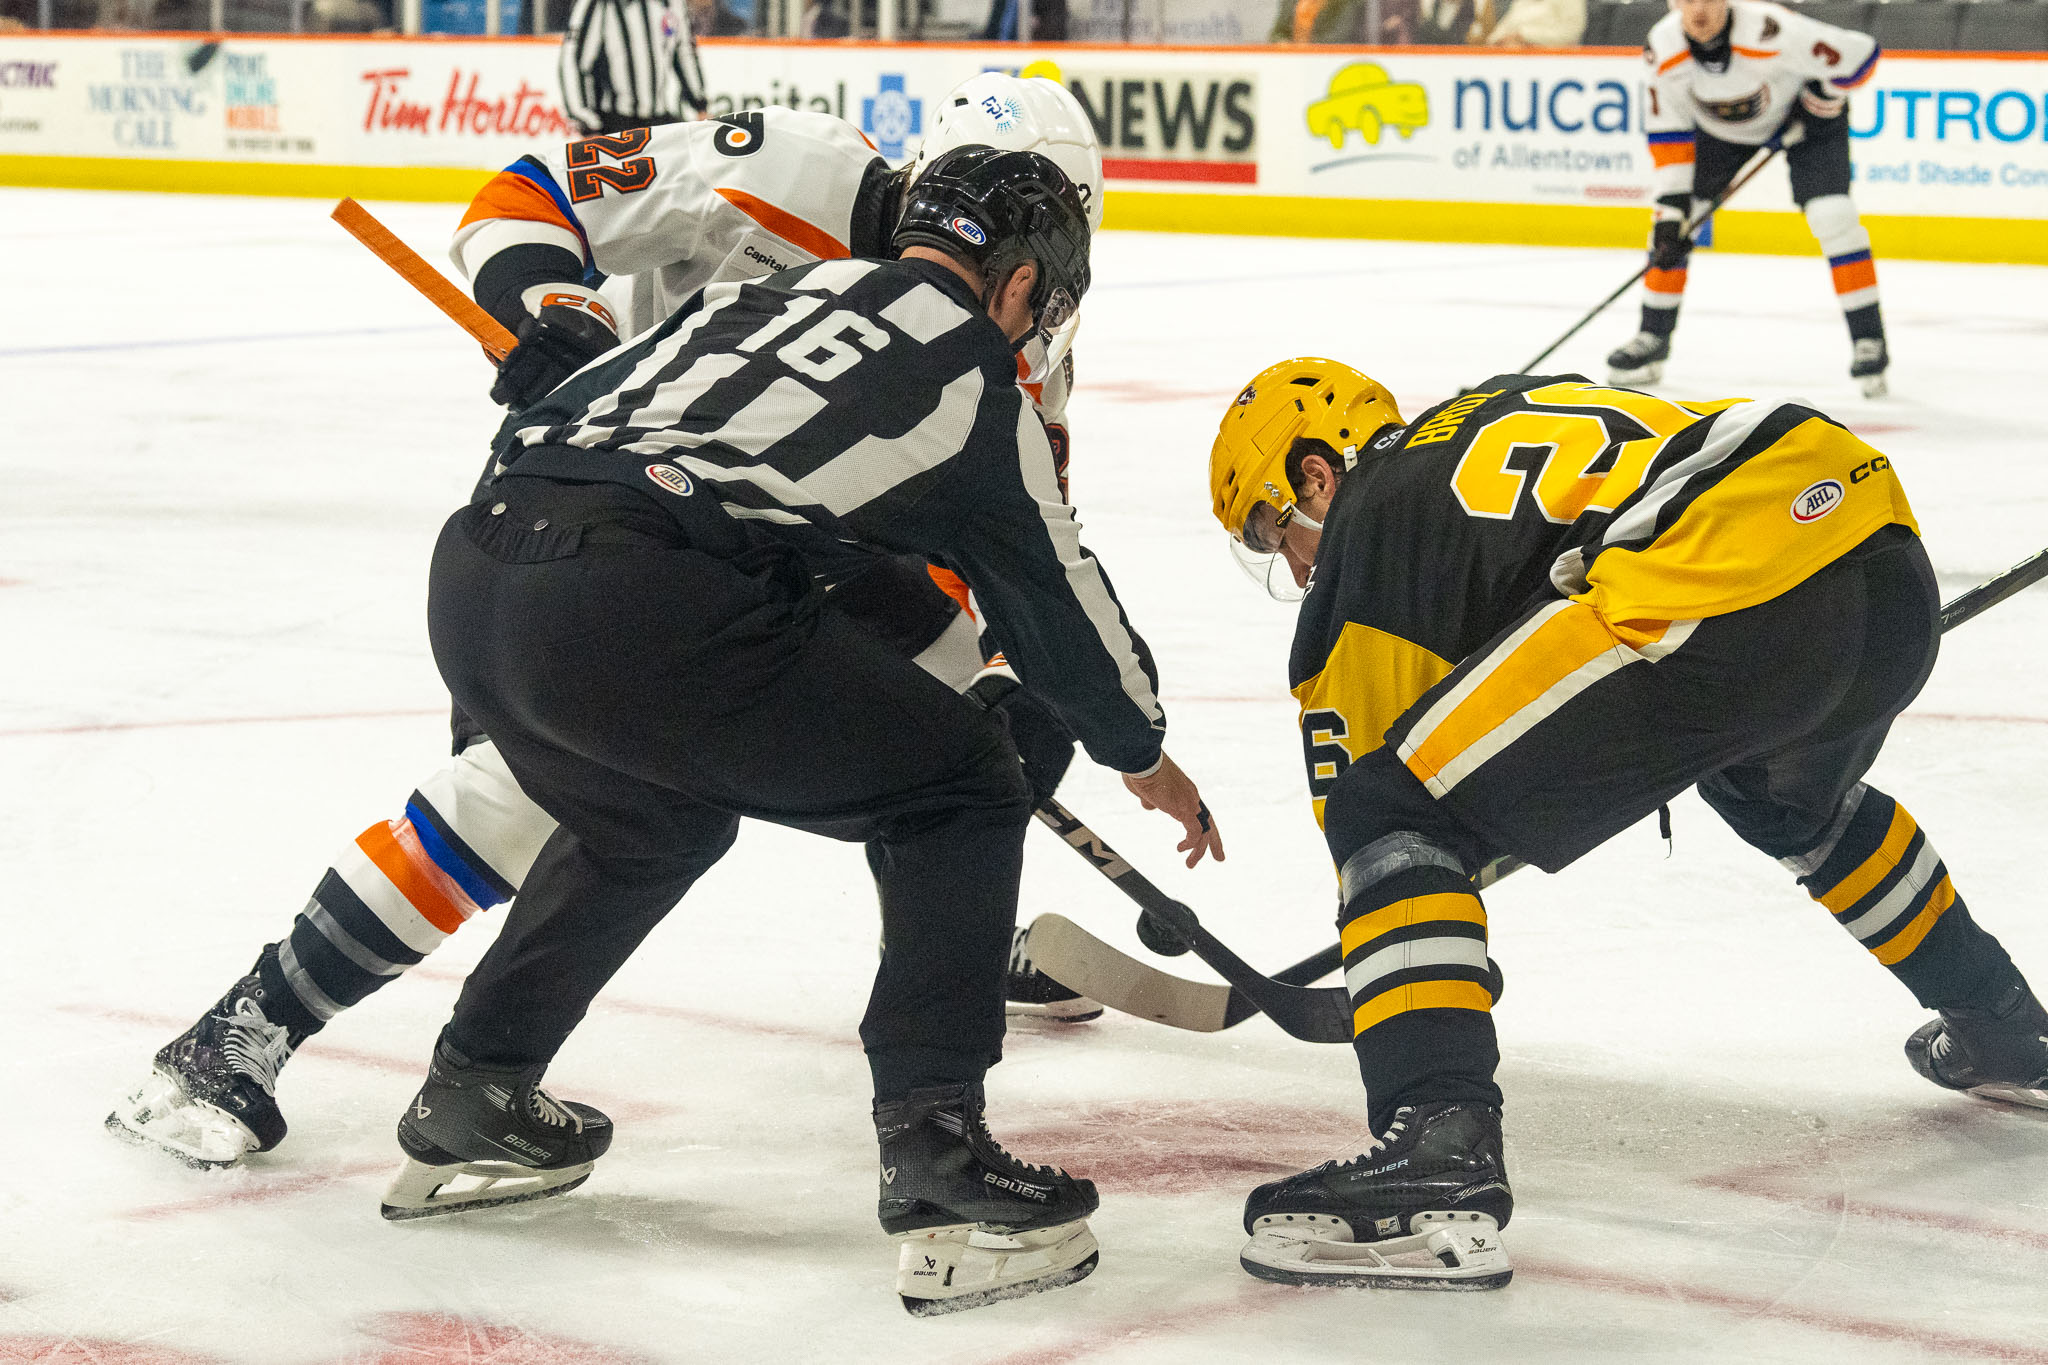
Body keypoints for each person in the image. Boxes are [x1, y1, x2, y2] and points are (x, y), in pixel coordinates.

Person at [106, 75, 1112, 1171]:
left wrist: (1000, 681)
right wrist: (552, 307)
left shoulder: (1018, 343)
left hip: (772, 557)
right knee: (538, 793)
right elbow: (529, 194)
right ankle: (247, 1025)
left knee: (955, 735)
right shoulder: (791, 169)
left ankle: (946, 945)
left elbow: (1000, 558)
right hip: (604, 521)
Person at [383, 148, 1220, 1317]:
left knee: (651, 822)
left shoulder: (762, 294)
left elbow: (577, 436)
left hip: (477, 571)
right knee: (962, 788)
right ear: (1022, 282)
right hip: (635, 596)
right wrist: (1140, 751)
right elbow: (1054, 603)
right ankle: (936, 1158)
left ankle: (476, 1087)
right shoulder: (972, 374)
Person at [1205, 357, 2048, 1290]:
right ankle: (2004, 1022)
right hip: (1867, 537)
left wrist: (1405, 956)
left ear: (1317, 476)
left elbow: (1375, 814)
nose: (1293, 565)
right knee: (1781, 799)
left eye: (1272, 531)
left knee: (1390, 805)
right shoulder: (1494, 405)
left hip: (1712, 571)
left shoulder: (1366, 531)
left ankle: (1439, 1150)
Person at [1608, 0, 1887, 395]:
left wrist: (1821, 97)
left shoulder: (1770, 29)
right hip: (1719, 133)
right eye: (1687, 1)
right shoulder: (1663, 46)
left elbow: (1862, 55)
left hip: (1804, 124)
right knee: (1671, 224)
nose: (1698, 11)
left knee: (1833, 216)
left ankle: (1868, 338)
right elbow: (1670, 136)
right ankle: (1652, 335)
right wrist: (1671, 212)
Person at [558, 0, 709, 137]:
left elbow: (684, 52)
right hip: (612, 123)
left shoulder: (673, 3)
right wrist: (587, 123)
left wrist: (700, 105)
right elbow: (574, 60)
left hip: (658, 120)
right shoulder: (601, 3)